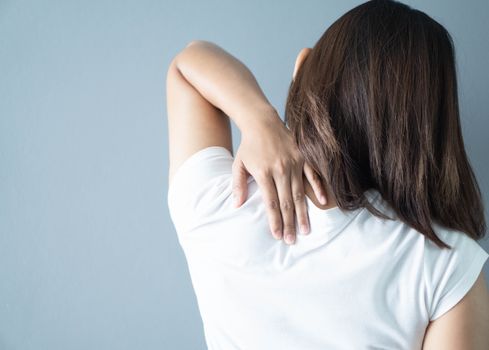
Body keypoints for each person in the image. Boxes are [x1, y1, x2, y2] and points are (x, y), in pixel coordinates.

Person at [166, 0, 489, 348]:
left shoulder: (218, 206)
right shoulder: (446, 262)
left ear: (301, 65)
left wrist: (260, 120)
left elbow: (189, 62)